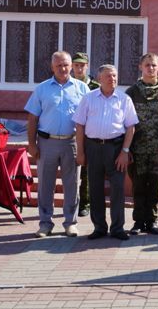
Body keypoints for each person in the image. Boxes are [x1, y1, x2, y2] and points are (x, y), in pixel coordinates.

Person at [25, 51, 89, 238]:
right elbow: (32, 118)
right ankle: (45, 223)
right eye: (58, 65)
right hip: (47, 143)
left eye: (66, 65)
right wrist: (32, 144)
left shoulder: (82, 89)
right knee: (45, 185)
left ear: (71, 66)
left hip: (72, 142)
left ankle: (70, 223)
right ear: (52, 67)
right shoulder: (42, 89)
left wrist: (84, 147)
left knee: (72, 185)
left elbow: (89, 118)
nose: (63, 68)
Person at [73, 64, 138, 241]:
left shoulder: (124, 99)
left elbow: (131, 127)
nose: (112, 79)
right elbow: (80, 125)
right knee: (95, 188)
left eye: (115, 76)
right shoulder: (88, 98)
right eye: (108, 76)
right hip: (93, 147)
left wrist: (125, 151)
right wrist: (81, 152)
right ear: (99, 78)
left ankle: (117, 228)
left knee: (117, 189)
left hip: (116, 148)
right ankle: (99, 227)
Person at [125, 53, 158, 236]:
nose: (150, 68)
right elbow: (126, 122)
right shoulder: (132, 92)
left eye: (153, 65)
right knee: (138, 185)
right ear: (140, 67)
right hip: (137, 148)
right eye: (147, 65)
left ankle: (152, 220)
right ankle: (139, 221)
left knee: (155, 185)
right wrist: (126, 149)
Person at [71, 52, 99, 218]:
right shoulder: (68, 84)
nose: (79, 68)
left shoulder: (95, 86)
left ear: (87, 66)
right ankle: (71, 203)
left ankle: (85, 203)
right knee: (71, 171)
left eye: (82, 65)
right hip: (71, 133)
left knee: (87, 171)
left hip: (90, 133)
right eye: (76, 65)